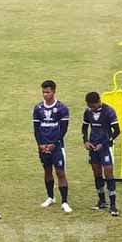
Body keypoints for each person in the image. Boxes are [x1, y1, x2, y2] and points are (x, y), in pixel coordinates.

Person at [33, 79, 73, 213]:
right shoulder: (38, 108)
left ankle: (65, 201)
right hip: (43, 147)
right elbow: (36, 129)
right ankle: (50, 197)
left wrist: (54, 144)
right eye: (43, 92)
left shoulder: (62, 108)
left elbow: (63, 130)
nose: (45, 94)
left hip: (57, 147)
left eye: (48, 92)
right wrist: (40, 144)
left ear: (54, 92)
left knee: (60, 172)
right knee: (47, 171)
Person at [82, 92, 121, 215]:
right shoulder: (87, 112)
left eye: (93, 106)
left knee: (108, 173)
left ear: (99, 101)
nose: (91, 108)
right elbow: (84, 127)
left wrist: (104, 144)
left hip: (104, 147)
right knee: (97, 173)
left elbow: (117, 131)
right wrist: (86, 141)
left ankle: (113, 205)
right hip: (93, 147)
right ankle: (102, 201)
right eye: (89, 106)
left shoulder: (109, 111)